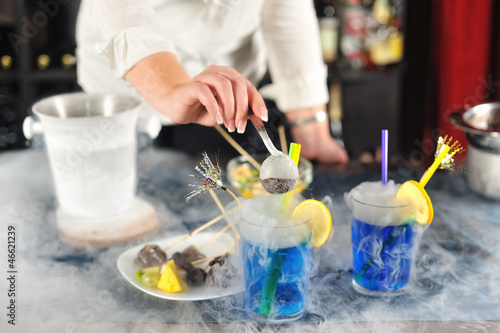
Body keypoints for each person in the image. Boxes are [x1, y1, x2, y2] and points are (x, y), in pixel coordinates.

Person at [76, 0, 348, 163]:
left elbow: (286, 7)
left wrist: (309, 124)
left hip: (225, 91)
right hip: (126, 79)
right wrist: (171, 88)